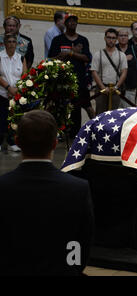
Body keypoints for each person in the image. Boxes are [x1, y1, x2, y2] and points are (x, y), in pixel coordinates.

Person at [0, 110, 94, 275]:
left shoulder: (3, 186)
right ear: (54, 144)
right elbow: (81, 244)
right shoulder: (78, 189)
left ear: (18, 142)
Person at [48, 14, 92, 138]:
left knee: (77, 108)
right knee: (60, 107)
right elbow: (51, 58)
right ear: (65, 24)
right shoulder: (58, 40)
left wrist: (70, 53)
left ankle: (75, 134)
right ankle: (60, 133)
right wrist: (64, 54)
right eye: (70, 21)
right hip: (61, 80)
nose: (73, 23)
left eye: (75, 21)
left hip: (79, 81)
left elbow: (87, 58)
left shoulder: (83, 40)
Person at [0, 33, 27, 153]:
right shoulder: (0, 56)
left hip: (16, 94)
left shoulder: (20, 57)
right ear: (4, 44)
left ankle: (12, 143)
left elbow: (24, 76)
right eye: (9, 42)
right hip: (1, 93)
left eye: (13, 42)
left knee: (14, 120)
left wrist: (16, 90)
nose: (11, 44)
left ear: (16, 44)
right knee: (1, 120)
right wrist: (8, 88)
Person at [91, 28, 128, 115]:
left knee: (114, 115)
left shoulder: (121, 55)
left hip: (115, 89)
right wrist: (102, 87)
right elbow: (94, 72)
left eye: (113, 38)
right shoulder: (98, 54)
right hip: (101, 89)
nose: (111, 40)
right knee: (100, 114)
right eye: (109, 37)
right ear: (105, 38)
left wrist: (116, 86)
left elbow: (124, 72)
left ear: (116, 39)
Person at [117, 29, 137, 107]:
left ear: (128, 37)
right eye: (121, 35)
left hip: (131, 88)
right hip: (116, 88)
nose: (123, 38)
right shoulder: (114, 49)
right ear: (117, 37)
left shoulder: (133, 49)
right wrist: (124, 58)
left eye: (125, 36)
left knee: (129, 112)